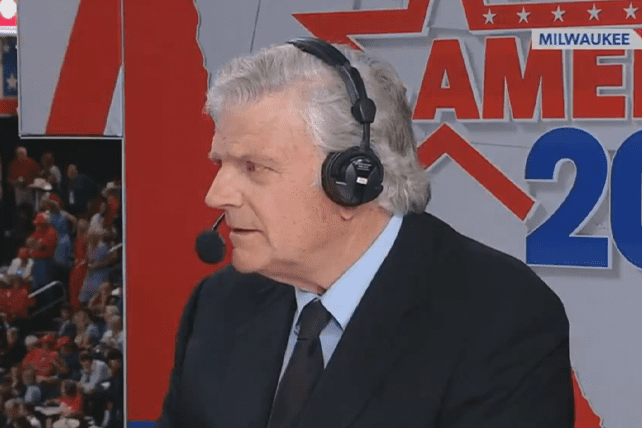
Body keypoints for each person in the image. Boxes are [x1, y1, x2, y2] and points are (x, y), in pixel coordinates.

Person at [156, 39, 574, 428]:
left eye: (254, 167)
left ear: (353, 180)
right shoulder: (219, 303)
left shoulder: (502, 318)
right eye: (221, 164)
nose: (216, 195)